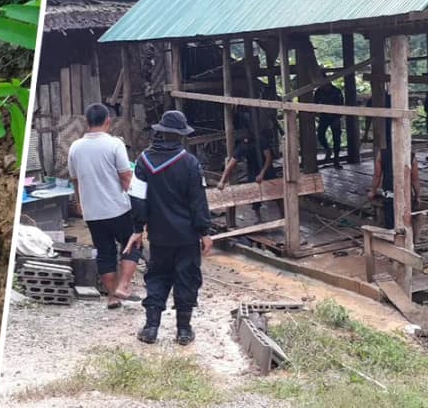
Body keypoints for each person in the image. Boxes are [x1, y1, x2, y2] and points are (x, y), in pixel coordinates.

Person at [126, 111, 212, 346]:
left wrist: (137, 229)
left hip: (159, 236)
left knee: (157, 277)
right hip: (186, 237)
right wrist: (205, 232)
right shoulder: (190, 163)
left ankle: (151, 328)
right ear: (181, 136)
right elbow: (198, 202)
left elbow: (137, 199)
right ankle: (183, 331)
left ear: (161, 133)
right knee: (187, 279)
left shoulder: (143, 162)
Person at [68, 103, 141, 309]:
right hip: (118, 207)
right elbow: (126, 176)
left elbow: (74, 179)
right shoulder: (114, 144)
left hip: (93, 212)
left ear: (86, 122)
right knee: (132, 245)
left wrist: (80, 202)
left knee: (105, 251)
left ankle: (112, 296)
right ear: (108, 121)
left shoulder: (75, 147)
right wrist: (137, 205)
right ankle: (124, 286)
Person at [367, 97, 421, 229]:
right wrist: (418, 196)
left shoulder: (382, 153)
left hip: (390, 196)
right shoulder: (410, 155)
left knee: (392, 226)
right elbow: (415, 179)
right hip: (406, 196)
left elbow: (377, 176)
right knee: (406, 225)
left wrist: (373, 191)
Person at [217, 126, 282, 217]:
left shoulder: (261, 140)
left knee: (276, 192)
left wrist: (262, 173)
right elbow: (231, 165)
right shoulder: (242, 146)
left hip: (266, 168)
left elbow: (268, 158)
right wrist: (222, 181)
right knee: (253, 193)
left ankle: (283, 214)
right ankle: (258, 216)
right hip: (252, 169)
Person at [314, 81, 344, 168]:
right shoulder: (319, 91)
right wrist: (317, 113)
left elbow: (341, 105)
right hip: (324, 116)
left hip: (335, 117)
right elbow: (315, 103)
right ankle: (327, 149)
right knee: (320, 134)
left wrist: (338, 117)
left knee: (337, 139)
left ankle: (336, 160)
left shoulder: (337, 91)